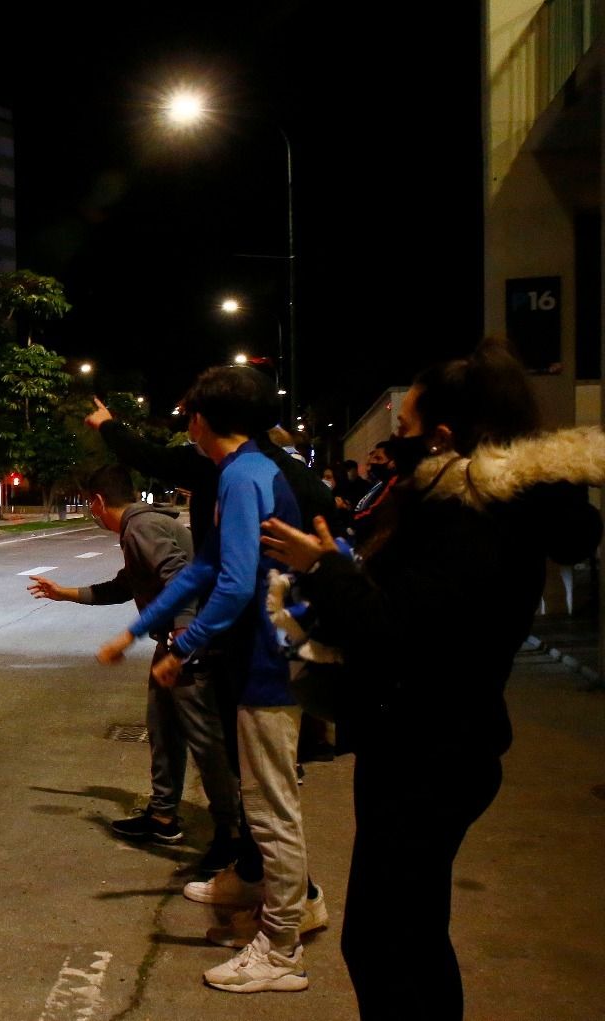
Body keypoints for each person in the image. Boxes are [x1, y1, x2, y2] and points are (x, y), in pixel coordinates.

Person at [260, 339, 602, 1020]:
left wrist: (323, 567)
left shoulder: (470, 518)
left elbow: (394, 628)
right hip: (433, 743)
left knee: (385, 945)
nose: (395, 442)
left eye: (406, 429)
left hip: (430, 752)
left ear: (444, 436)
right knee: (409, 937)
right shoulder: (483, 506)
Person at [97, 365, 316, 995]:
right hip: (255, 654)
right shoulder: (236, 472)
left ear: (199, 419)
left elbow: (234, 579)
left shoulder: (244, 477)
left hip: (271, 658)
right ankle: (272, 906)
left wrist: (184, 646)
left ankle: (281, 947)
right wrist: (140, 633)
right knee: (264, 802)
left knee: (273, 808)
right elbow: (205, 568)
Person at [29, 464, 240, 871]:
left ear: (98, 502)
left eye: (90, 505)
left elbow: (182, 577)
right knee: (163, 730)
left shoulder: (140, 529)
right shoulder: (143, 527)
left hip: (189, 646)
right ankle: (163, 817)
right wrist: (65, 593)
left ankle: (230, 837)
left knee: (205, 744)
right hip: (174, 644)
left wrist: (181, 643)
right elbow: (125, 587)